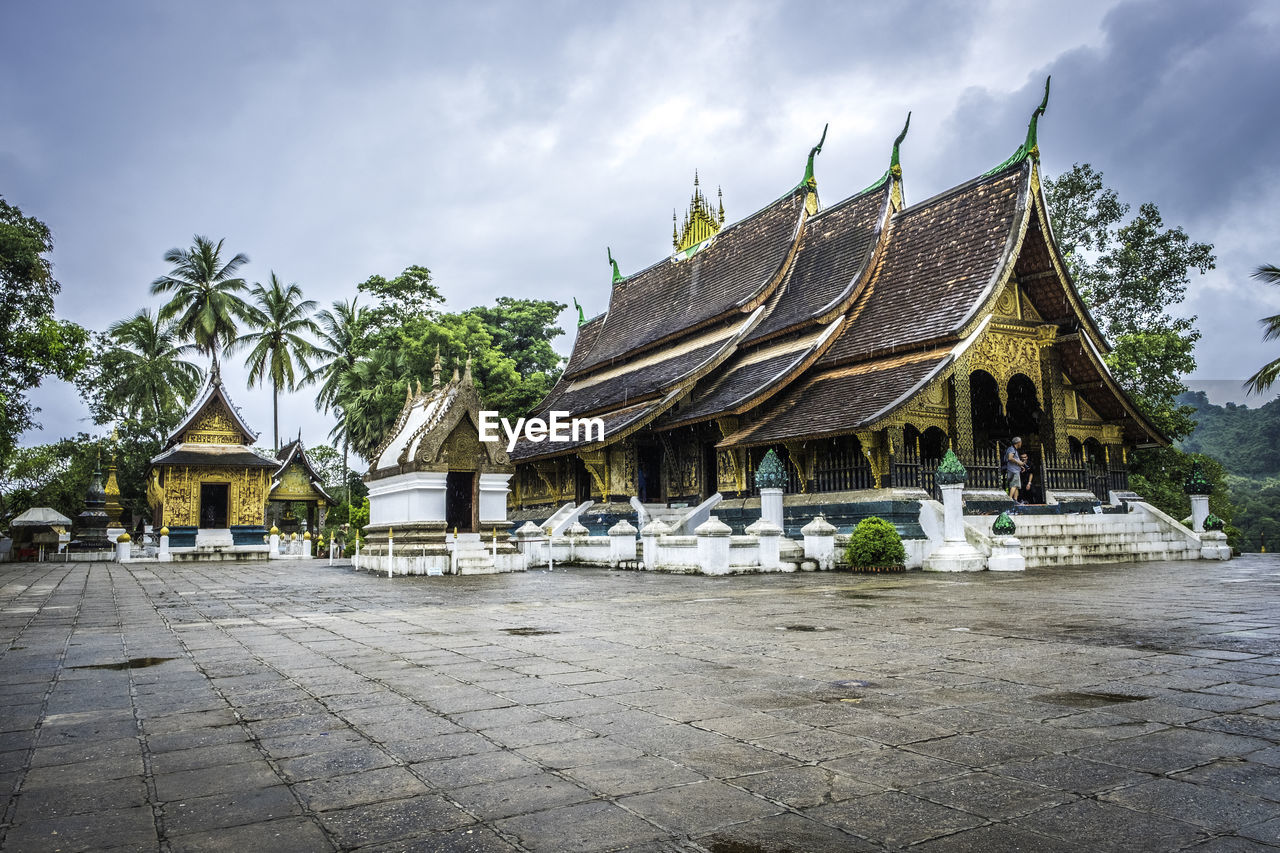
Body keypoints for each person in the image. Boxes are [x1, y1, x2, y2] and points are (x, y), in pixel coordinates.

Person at [1004, 437, 1025, 501]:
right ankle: (1010, 499)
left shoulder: (1013, 449)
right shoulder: (1012, 449)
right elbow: (1010, 458)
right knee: (1014, 485)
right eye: (1020, 442)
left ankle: (1015, 500)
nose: (1021, 444)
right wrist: (1019, 462)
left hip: (1015, 469)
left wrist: (1020, 466)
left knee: (1016, 486)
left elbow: (1014, 459)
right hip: (1013, 470)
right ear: (1018, 443)